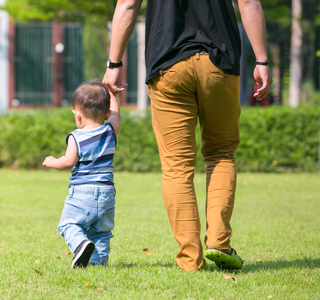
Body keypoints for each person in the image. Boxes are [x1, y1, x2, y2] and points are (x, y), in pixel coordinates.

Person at [103, 0, 272, 271]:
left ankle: (190, 260)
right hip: (220, 62)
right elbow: (249, 2)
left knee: (176, 166)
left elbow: (127, 4)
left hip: (167, 64)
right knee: (220, 153)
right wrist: (261, 59)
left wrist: (114, 62)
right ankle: (218, 241)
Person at [43, 81, 120, 268]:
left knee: (67, 224)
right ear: (107, 113)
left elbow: (68, 161)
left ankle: (80, 244)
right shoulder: (110, 132)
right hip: (106, 193)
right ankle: (97, 263)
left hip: (82, 192)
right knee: (101, 232)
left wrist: (52, 161)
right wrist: (111, 93)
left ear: (77, 115)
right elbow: (116, 115)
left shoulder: (76, 137)